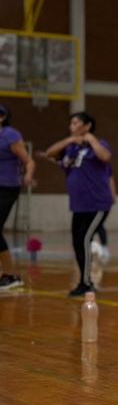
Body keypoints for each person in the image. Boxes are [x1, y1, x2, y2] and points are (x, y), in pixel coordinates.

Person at [43, 112, 112, 296]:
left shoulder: (99, 144)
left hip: (97, 204)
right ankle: (84, 281)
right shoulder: (71, 149)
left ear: (87, 126)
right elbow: (50, 153)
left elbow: (105, 157)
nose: (71, 126)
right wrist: (69, 141)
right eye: (71, 123)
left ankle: (87, 282)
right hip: (78, 205)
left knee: (84, 240)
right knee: (77, 242)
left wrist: (91, 139)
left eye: (76, 123)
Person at [0, 105, 35, 290]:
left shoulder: (10, 135)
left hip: (7, 187)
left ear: (2, 117)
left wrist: (28, 175)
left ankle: (10, 275)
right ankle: (6, 274)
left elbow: (28, 160)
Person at [92, 173, 115, 262]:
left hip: (104, 203)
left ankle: (104, 247)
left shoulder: (106, 171)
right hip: (93, 204)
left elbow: (111, 181)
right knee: (95, 225)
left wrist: (113, 196)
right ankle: (93, 246)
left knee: (98, 224)